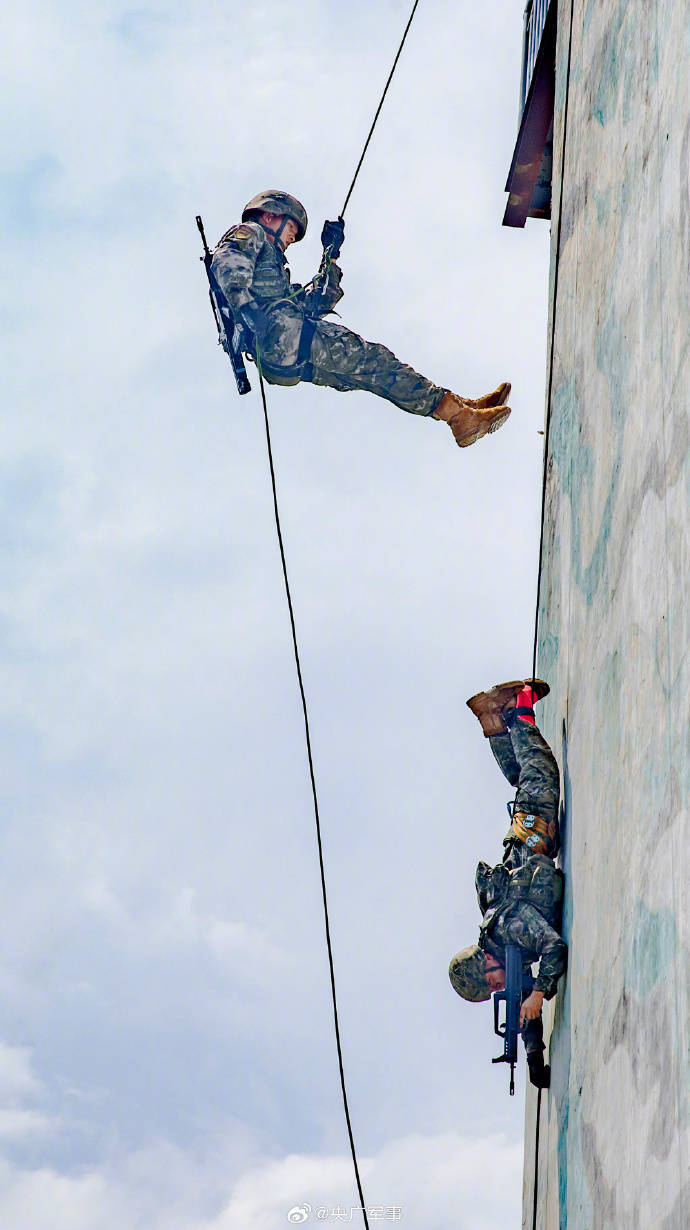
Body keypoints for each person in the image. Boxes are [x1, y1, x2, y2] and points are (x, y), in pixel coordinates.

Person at [210, 189, 512, 448]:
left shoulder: (273, 274)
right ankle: (459, 417)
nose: (292, 237)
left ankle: (461, 410)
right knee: (377, 360)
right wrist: (248, 310)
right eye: (292, 227)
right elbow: (227, 263)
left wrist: (331, 254)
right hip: (283, 336)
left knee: (376, 376)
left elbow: (317, 302)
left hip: (285, 357)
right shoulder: (250, 233)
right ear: (271, 214)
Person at [448, 678, 568, 1089]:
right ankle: (491, 720)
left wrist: (539, 995)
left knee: (539, 769)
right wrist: (533, 1054)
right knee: (523, 776)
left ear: (485, 964)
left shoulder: (510, 931)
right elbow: (526, 996)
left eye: (493, 983)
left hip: (535, 830)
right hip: (526, 835)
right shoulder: (502, 937)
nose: (500, 986)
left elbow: (553, 946)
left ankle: (518, 706)